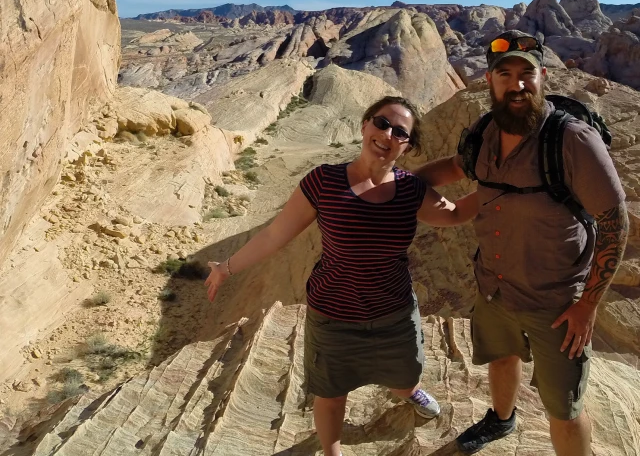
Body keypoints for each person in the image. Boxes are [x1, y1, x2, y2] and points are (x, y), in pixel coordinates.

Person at [205, 95, 478, 456]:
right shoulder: (324, 181)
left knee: (405, 378)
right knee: (331, 395)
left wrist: (502, 188)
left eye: (400, 131)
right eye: (381, 123)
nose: (387, 134)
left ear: (408, 146)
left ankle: (408, 391)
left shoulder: (411, 190)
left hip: (393, 312)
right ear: (365, 124)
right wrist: (226, 268)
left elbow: (455, 214)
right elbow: (275, 234)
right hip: (333, 314)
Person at [416, 30, 628, 456]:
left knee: (564, 411)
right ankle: (501, 418)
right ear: (490, 81)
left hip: (555, 302)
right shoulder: (484, 132)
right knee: (501, 357)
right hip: (494, 286)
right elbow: (457, 167)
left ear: (543, 76)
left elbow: (615, 223)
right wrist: (402, 182)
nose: (517, 84)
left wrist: (587, 305)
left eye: (526, 73)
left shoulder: (571, 140)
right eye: (504, 74)